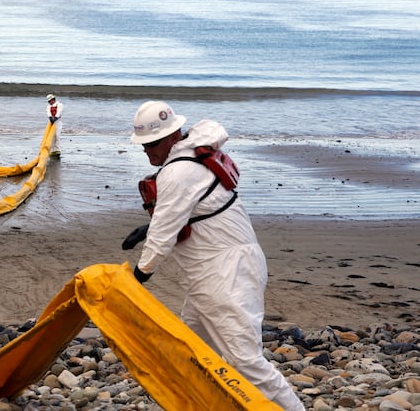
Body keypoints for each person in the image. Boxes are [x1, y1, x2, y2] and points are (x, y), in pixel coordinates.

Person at [124, 101, 304, 411]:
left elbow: (166, 231)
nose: (147, 151)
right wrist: (150, 228)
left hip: (224, 273)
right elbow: (188, 214)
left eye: (152, 143)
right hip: (219, 269)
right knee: (190, 347)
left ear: (173, 135)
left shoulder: (178, 171)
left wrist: (138, 276)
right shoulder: (193, 156)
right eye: (143, 144)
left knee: (245, 361)